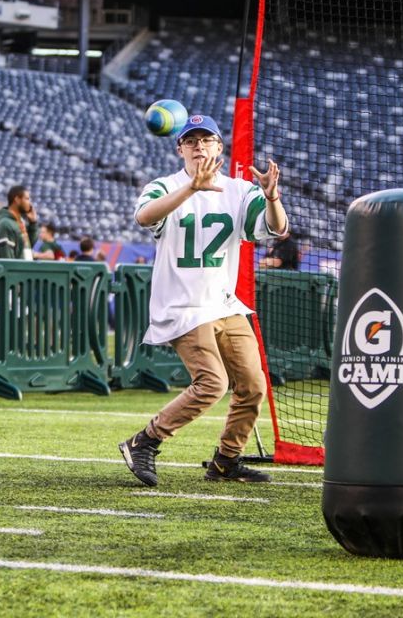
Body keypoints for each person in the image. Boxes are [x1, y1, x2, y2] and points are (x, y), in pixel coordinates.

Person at [118, 113, 288, 486]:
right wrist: (192, 189)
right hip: (182, 303)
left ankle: (226, 462)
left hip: (224, 303)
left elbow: (277, 227)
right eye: (191, 141)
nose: (199, 146)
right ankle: (144, 441)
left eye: (205, 140)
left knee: (253, 384)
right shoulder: (164, 186)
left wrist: (272, 195)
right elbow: (145, 217)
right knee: (212, 382)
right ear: (180, 148)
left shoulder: (240, 190)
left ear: (219, 147)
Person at [0, 184, 38, 260]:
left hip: (23, 270)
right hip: (15, 271)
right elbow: (7, 261)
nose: (30, 203)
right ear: (17, 199)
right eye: (27, 199)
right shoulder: (5, 224)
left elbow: (28, 247)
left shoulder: (20, 222)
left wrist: (33, 223)